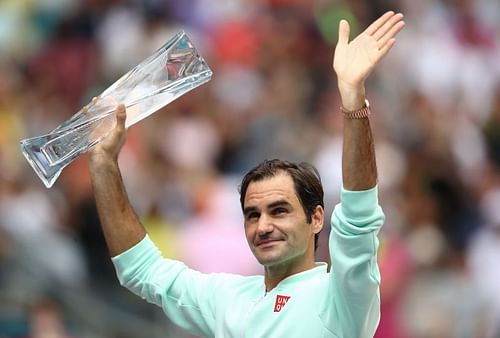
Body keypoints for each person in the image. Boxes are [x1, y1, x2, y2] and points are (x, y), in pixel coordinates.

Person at [88, 11, 405, 338]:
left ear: (317, 218)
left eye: (279, 210)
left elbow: (358, 222)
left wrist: (353, 100)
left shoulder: (341, 298)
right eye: (252, 215)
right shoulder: (227, 298)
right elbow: (139, 270)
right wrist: (104, 164)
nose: (263, 226)